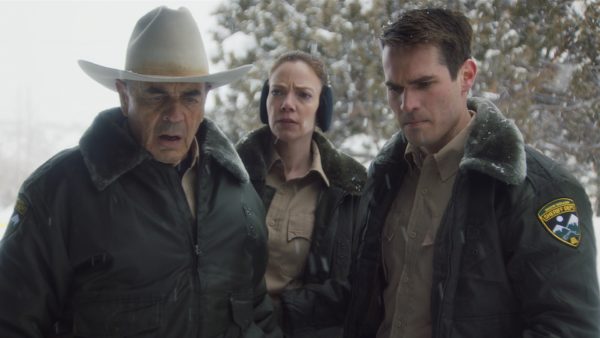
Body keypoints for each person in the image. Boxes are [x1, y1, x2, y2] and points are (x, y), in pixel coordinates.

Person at [0, 6, 281, 337]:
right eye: (155, 93)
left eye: (190, 97)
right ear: (124, 95)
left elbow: (256, 311)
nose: (174, 114)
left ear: (205, 98)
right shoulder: (58, 192)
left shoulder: (238, 192)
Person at [344, 8, 600, 338]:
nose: (407, 104)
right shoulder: (385, 177)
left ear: (467, 76)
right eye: (395, 88)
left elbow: (570, 328)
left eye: (423, 84)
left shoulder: (537, 190)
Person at [236, 51, 366, 337]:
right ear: (264, 102)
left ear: (323, 107)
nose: (287, 105)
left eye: (304, 95)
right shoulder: (231, 173)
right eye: (277, 92)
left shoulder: (350, 188)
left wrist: (284, 314)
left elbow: (352, 285)